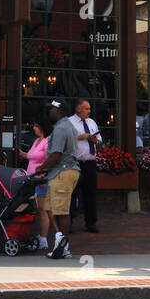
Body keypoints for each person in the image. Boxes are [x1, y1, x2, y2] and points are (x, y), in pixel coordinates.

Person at [32, 100, 78, 259]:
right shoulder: (68, 126)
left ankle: (64, 246)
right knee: (50, 207)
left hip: (63, 172)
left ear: (59, 111)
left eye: (51, 109)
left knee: (62, 211)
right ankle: (60, 239)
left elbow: (56, 154)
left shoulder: (60, 129)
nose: (49, 112)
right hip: (60, 172)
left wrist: (42, 167)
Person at [18, 119, 51, 250]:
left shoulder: (46, 142)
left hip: (40, 180)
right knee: (37, 209)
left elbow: (49, 160)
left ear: (41, 128)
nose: (33, 128)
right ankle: (40, 236)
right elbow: (31, 156)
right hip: (31, 179)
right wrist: (20, 153)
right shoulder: (36, 141)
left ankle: (43, 239)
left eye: (36, 126)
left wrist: (44, 175)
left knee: (42, 209)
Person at [69, 98, 101, 233]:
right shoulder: (69, 122)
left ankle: (91, 222)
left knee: (90, 193)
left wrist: (95, 140)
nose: (89, 111)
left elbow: (99, 141)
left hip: (90, 163)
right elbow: (64, 139)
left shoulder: (91, 122)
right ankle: (69, 222)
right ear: (78, 109)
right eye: (86, 109)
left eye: (89, 109)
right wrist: (80, 137)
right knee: (72, 194)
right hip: (75, 163)